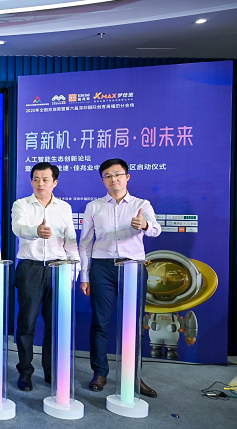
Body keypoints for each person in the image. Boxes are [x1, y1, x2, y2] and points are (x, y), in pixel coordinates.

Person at [79, 158, 160, 398]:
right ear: (102, 180)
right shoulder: (94, 207)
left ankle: (133, 375)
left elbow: (156, 230)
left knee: (134, 324)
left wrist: (144, 224)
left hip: (133, 267)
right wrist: (85, 275)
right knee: (100, 322)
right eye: (108, 176)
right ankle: (99, 372)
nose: (113, 179)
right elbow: (85, 244)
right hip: (102, 268)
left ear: (127, 177)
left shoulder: (141, 204)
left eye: (118, 175)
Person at [11, 161, 79, 391]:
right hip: (30, 269)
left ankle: (51, 371)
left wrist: (73, 273)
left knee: (54, 325)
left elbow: (71, 241)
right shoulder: (21, 204)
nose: (40, 183)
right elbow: (18, 228)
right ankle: (25, 372)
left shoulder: (64, 208)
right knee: (26, 324)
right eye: (36, 179)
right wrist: (36, 232)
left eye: (45, 179)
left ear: (54, 182)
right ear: (31, 181)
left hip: (58, 269)